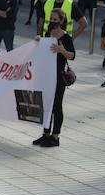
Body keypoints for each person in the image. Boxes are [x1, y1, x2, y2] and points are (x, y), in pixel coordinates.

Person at [31, 9, 76, 149]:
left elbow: (72, 56)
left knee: (56, 106)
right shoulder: (48, 34)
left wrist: (62, 50)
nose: (52, 21)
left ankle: (55, 136)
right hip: (47, 75)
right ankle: (46, 133)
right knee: (46, 105)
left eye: (55, 19)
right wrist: (38, 42)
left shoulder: (66, 37)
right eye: (51, 18)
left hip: (58, 76)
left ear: (61, 21)